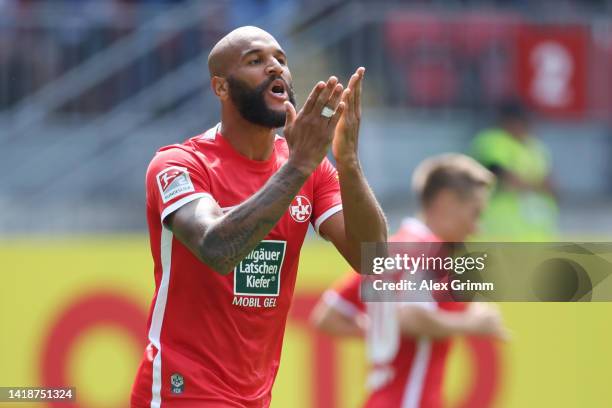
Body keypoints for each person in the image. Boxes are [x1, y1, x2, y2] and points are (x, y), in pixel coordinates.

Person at [130, 26, 387, 407]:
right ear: (221, 87)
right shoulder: (180, 164)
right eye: (255, 61)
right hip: (181, 391)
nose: (275, 68)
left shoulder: (310, 169)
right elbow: (216, 248)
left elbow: (374, 261)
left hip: (255, 397)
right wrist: (299, 165)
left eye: (281, 60)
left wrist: (347, 161)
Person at [311, 154, 508, 408]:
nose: (476, 227)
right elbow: (410, 316)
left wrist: (386, 332)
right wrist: (470, 323)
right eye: (475, 213)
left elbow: (328, 317)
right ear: (447, 201)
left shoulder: (390, 250)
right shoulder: (430, 251)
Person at [471, 99, 558, 240]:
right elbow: (503, 176)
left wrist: (533, 185)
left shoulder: (536, 147)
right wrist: (536, 185)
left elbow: (551, 184)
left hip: (536, 233)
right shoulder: (492, 141)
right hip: (500, 231)